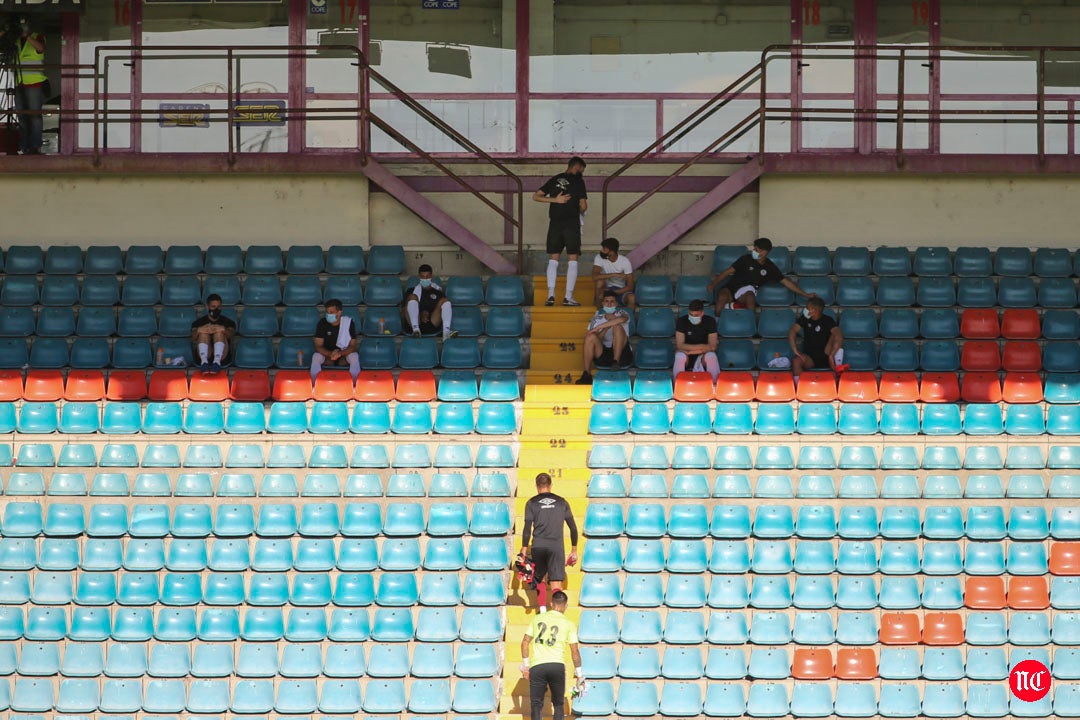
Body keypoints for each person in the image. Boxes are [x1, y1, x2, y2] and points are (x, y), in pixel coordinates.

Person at [707, 237, 817, 314]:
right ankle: (718, 324)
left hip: (746, 294)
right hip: (731, 289)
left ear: (764, 252)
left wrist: (805, 294)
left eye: (757, 250)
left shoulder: (770, 267)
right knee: (721, 298)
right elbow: (727, 272)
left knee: (750, 296)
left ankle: (750, 323)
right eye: (754, 249)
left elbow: (786, 282)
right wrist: (713, 284)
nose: (754, 251)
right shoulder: (745, 259)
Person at [519, 473, 578, 613]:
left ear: (536, 486)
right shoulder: (562, 502)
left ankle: (543, 611)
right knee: (556, 581)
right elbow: (573, 528)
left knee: (540, 579)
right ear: (550, 485)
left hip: (538, 545)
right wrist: (574, 549)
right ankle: (557, 613)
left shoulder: (531, 503)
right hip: (556, 546)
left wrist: (523, 548)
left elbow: (527, 528)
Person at [534, 156, 588, 307]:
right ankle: (568, 297)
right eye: (582, 170)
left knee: (553, 258)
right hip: (571, 223)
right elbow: (583, 206)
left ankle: (550, 295)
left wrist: (555, 200)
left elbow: (536, 196)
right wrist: (580, 210)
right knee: (572, 259)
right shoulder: (578, 181)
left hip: (555, 224)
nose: (582, 173)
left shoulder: (555, 179)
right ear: (577, 167)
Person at [520, 590, 582, 720]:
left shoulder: (537, 618)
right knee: (558, 704)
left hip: (537, 665)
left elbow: (525, 642)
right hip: (557, 665)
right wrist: (579, 674)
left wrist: (526, 666)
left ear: (551, 604)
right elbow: (575, 652)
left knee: (536, 705)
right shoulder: (569, 623)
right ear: (566, 606)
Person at [5, 16, 46, 155]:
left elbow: (40, 48)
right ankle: (24, 146)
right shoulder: (15, 40)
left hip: (34, 82)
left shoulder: (37, 36)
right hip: (19, 82)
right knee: (21, 116)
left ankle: (35, 146)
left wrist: (26, 36)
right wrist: (7, 31)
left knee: (34, 116)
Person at [574, 290, 631, 385]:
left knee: (617, 326)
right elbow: (595, 339)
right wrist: (606, 328)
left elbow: (621, 320)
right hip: (603, 353)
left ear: (616, 303)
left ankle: (615, 362)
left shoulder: (622, 312)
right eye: (607, 301)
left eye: (612, 301)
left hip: (622, 353)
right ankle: (586, 374)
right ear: (603, 303)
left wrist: (599, 327)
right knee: (590, 337)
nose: (609, 304)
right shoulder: (597, 318)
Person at [789, 297, 847, 378]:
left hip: (826, 356)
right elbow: (793, 330)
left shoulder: (827, 320)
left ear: (814, 311)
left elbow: (839, 335)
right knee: (796, 361)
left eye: (807, 308)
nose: (805, 309)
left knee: (835, 334)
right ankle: (799, 388)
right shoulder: (805, 318)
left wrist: (831, 355)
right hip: (810, 359)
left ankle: (838, 367)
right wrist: (795, 350)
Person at [401, 264, 457, 339]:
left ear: (431, 276)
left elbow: (440, 311)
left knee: (445, 301)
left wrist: (428, 314)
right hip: (414, 323)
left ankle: (446, 332)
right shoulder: (411, 290)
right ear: (419, 277)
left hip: (432, 323)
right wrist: (419, 315)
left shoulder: (438, 292)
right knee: (412, 297)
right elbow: (403, 311)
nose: (425, 279)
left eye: (427, 276)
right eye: (423, 277)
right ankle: (416, 331)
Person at [310, 298, 360, 381]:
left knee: (354, 356)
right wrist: (330, 354)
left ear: (339, 312)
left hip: (344, 354)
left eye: (331, 312)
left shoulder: (348, 323)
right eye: (327, 312)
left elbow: (353, 346)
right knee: (316, 356)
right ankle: (315, 383)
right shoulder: (322, 323)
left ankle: (355, 384)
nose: (328, 314)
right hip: (327, 355)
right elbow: (318, 346)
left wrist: (339, 354)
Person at [674, 299, 720, 382]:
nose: (693, 317)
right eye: (691, 315)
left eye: (696, 315)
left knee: (711, 356)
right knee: (679, 356)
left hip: (702, 356)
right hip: (687, 355)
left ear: (702, 313)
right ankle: (677, 384)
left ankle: (714, 385)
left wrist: (691, 351)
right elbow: (680, 345)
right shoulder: (682, 321)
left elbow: (713, 347)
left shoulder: (710, 321)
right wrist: (702, 347)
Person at [190, 294, 235, 374]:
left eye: (218, 307)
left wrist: (223, 329)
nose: (216, 309)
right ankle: (204, 363)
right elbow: (193, 337)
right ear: (207, 307)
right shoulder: (198, 322)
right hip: (204, 355)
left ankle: (216, 362)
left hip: (222, 357)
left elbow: (231, 334)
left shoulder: (228, 322)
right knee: (203, 332)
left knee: (219, 332)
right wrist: (199, 330)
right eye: (213, 307)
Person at [592, 237, 635, 309]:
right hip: (606, 289)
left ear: (612, 251)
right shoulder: (599, 257)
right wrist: (614, 274)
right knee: (599, 282)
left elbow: (630, 286)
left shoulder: (624, 261)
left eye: (604, 249)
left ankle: (629, 319)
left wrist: (613, 292)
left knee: (632, 298)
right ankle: (599, 312)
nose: (601, 250)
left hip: (620, 290)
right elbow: (594, 276)